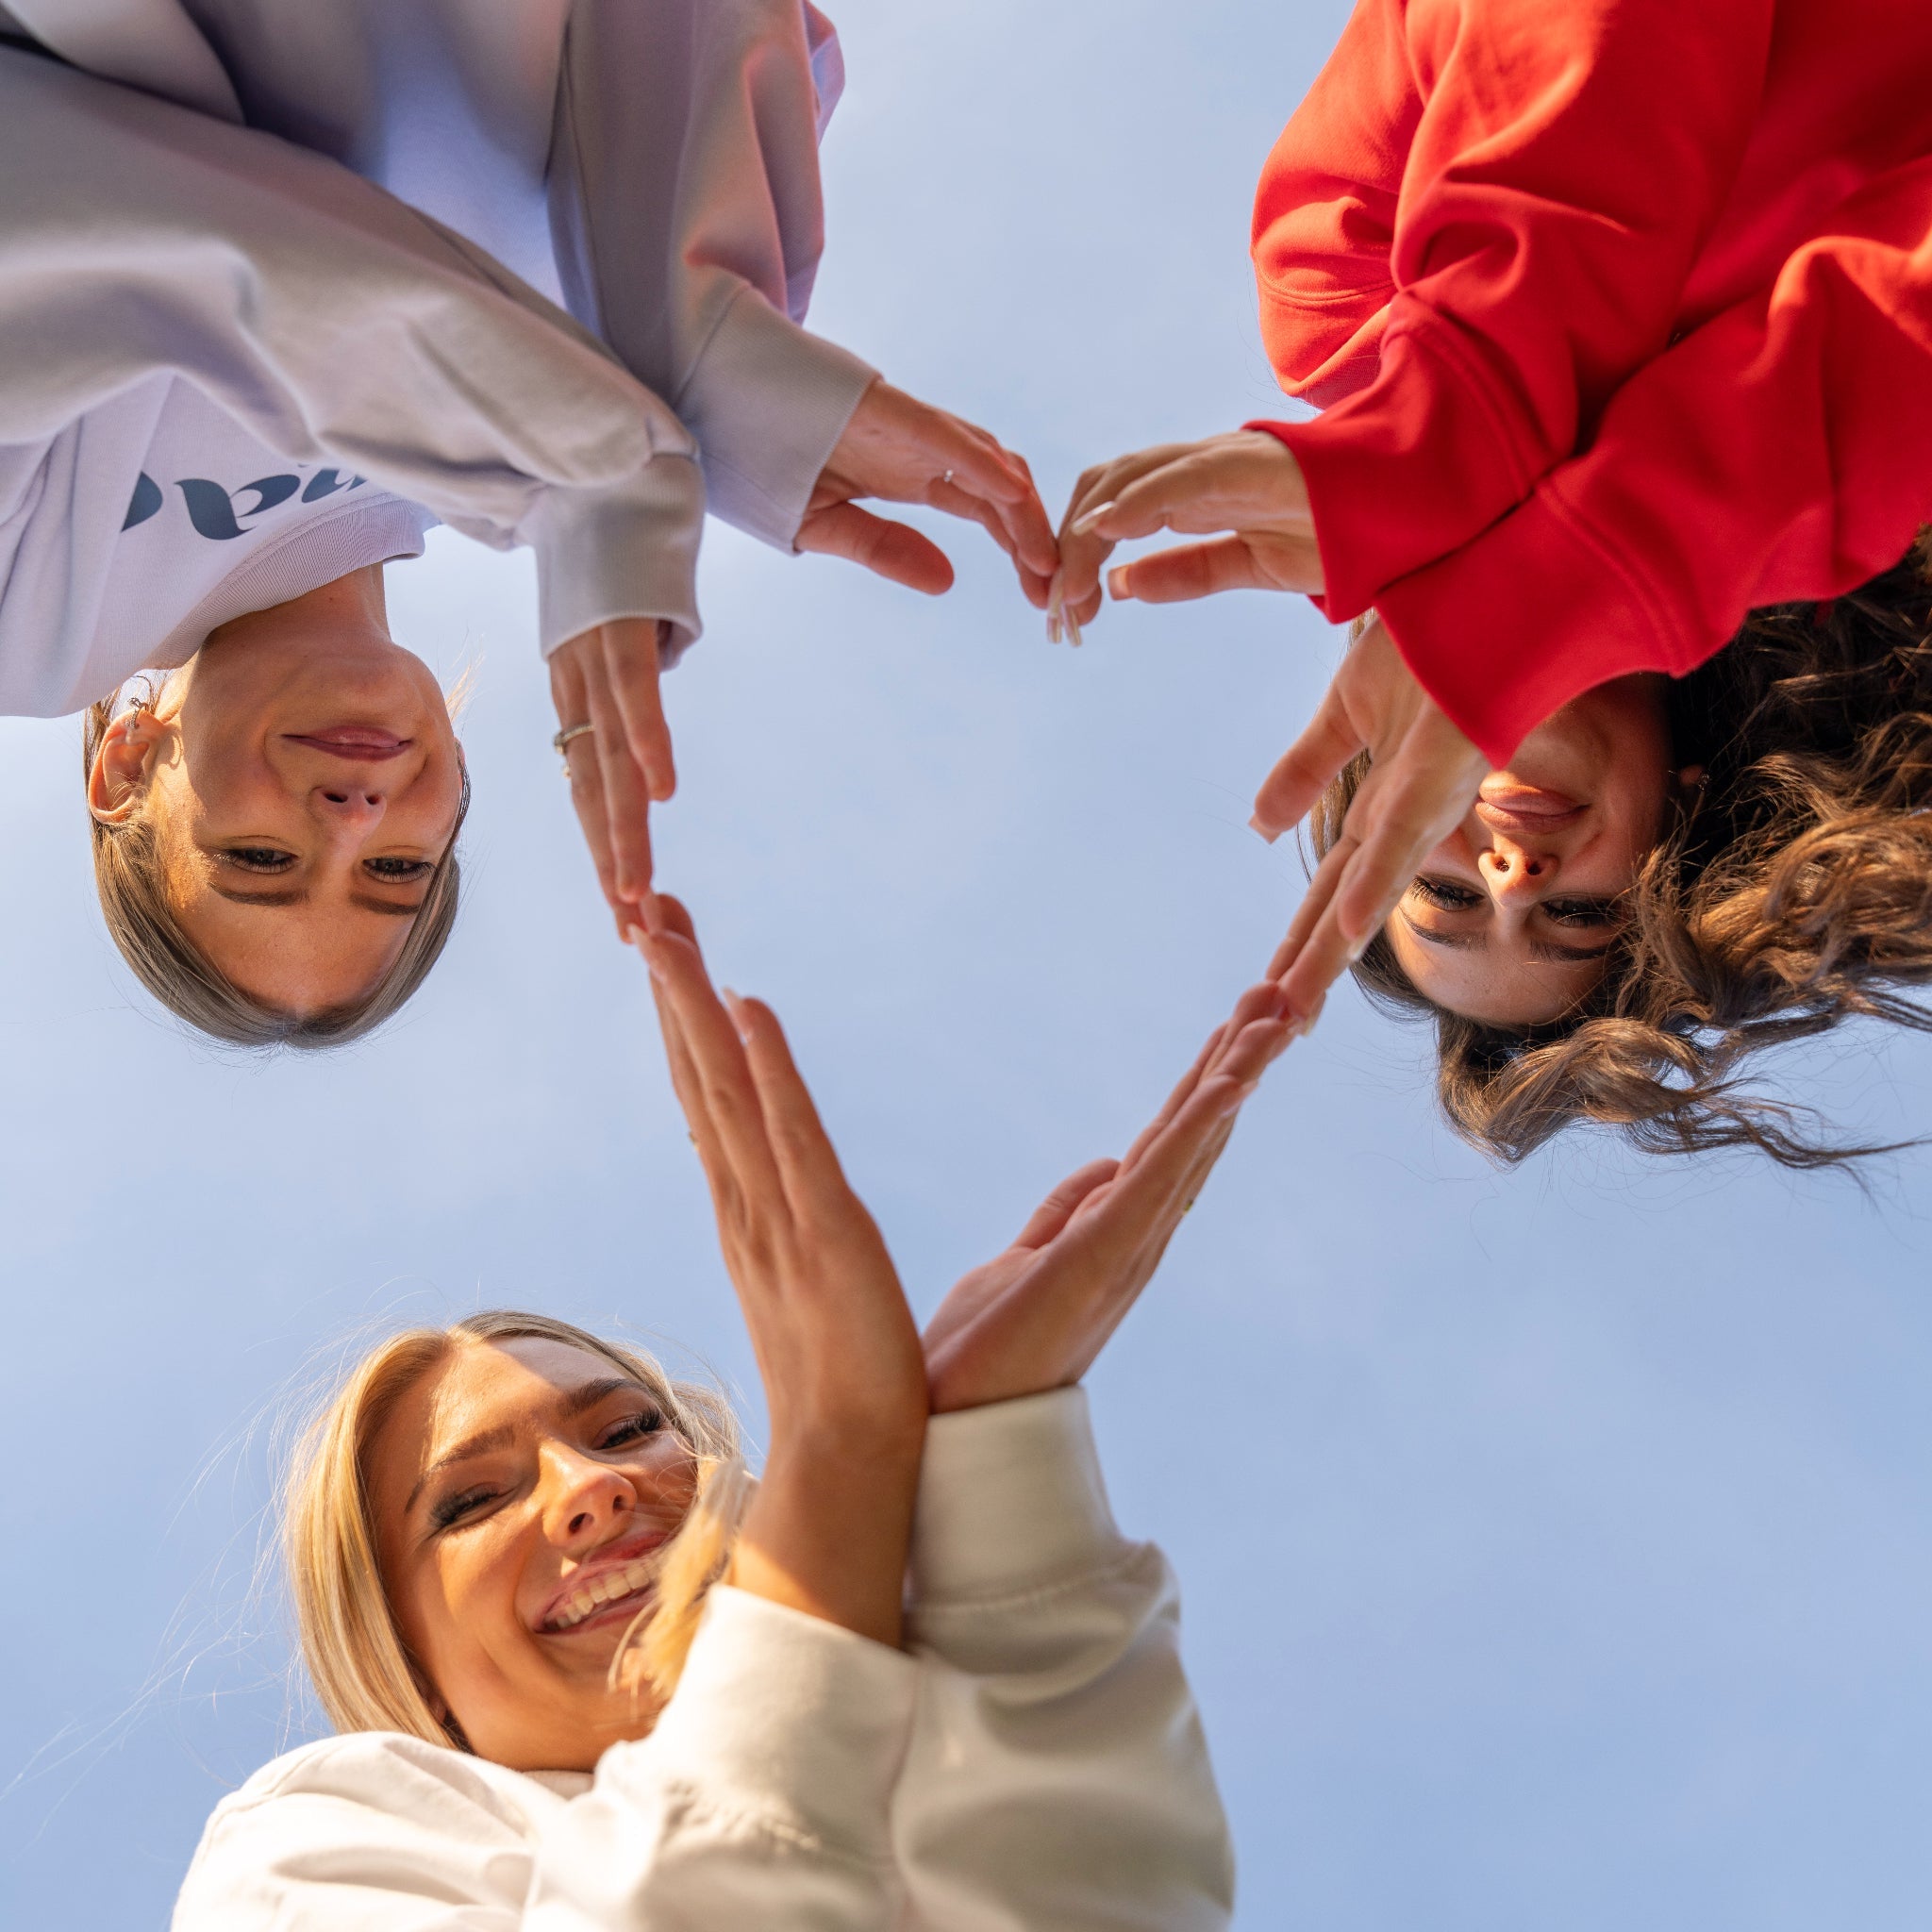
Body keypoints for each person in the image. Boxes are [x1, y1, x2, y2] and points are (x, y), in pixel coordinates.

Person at [170, 894, 1291, 1929]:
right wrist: (845, 1447)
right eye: (468, 1500)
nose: (592, 1486)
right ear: (408, 1673)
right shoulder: (309, 1850)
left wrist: (993, 1454)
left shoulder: (921, 1703)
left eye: (622, 1428)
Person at [0, 8, 1055, 1044]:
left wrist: (587, 462)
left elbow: (65, 208)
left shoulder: (34, 618)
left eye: (261, 860)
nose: (353, 821)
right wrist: (698, 335)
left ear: (125, 767)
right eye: (397, 869)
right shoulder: (609, 392)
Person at [1055, 0, 1932, 1163]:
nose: (1515, 874)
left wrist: (1473, 394)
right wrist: (1597, 562)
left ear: (1375, 785)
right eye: (1575, 914)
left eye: (1448, 897)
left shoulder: (1338, 296)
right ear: (1673, 818)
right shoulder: (1866, 533)